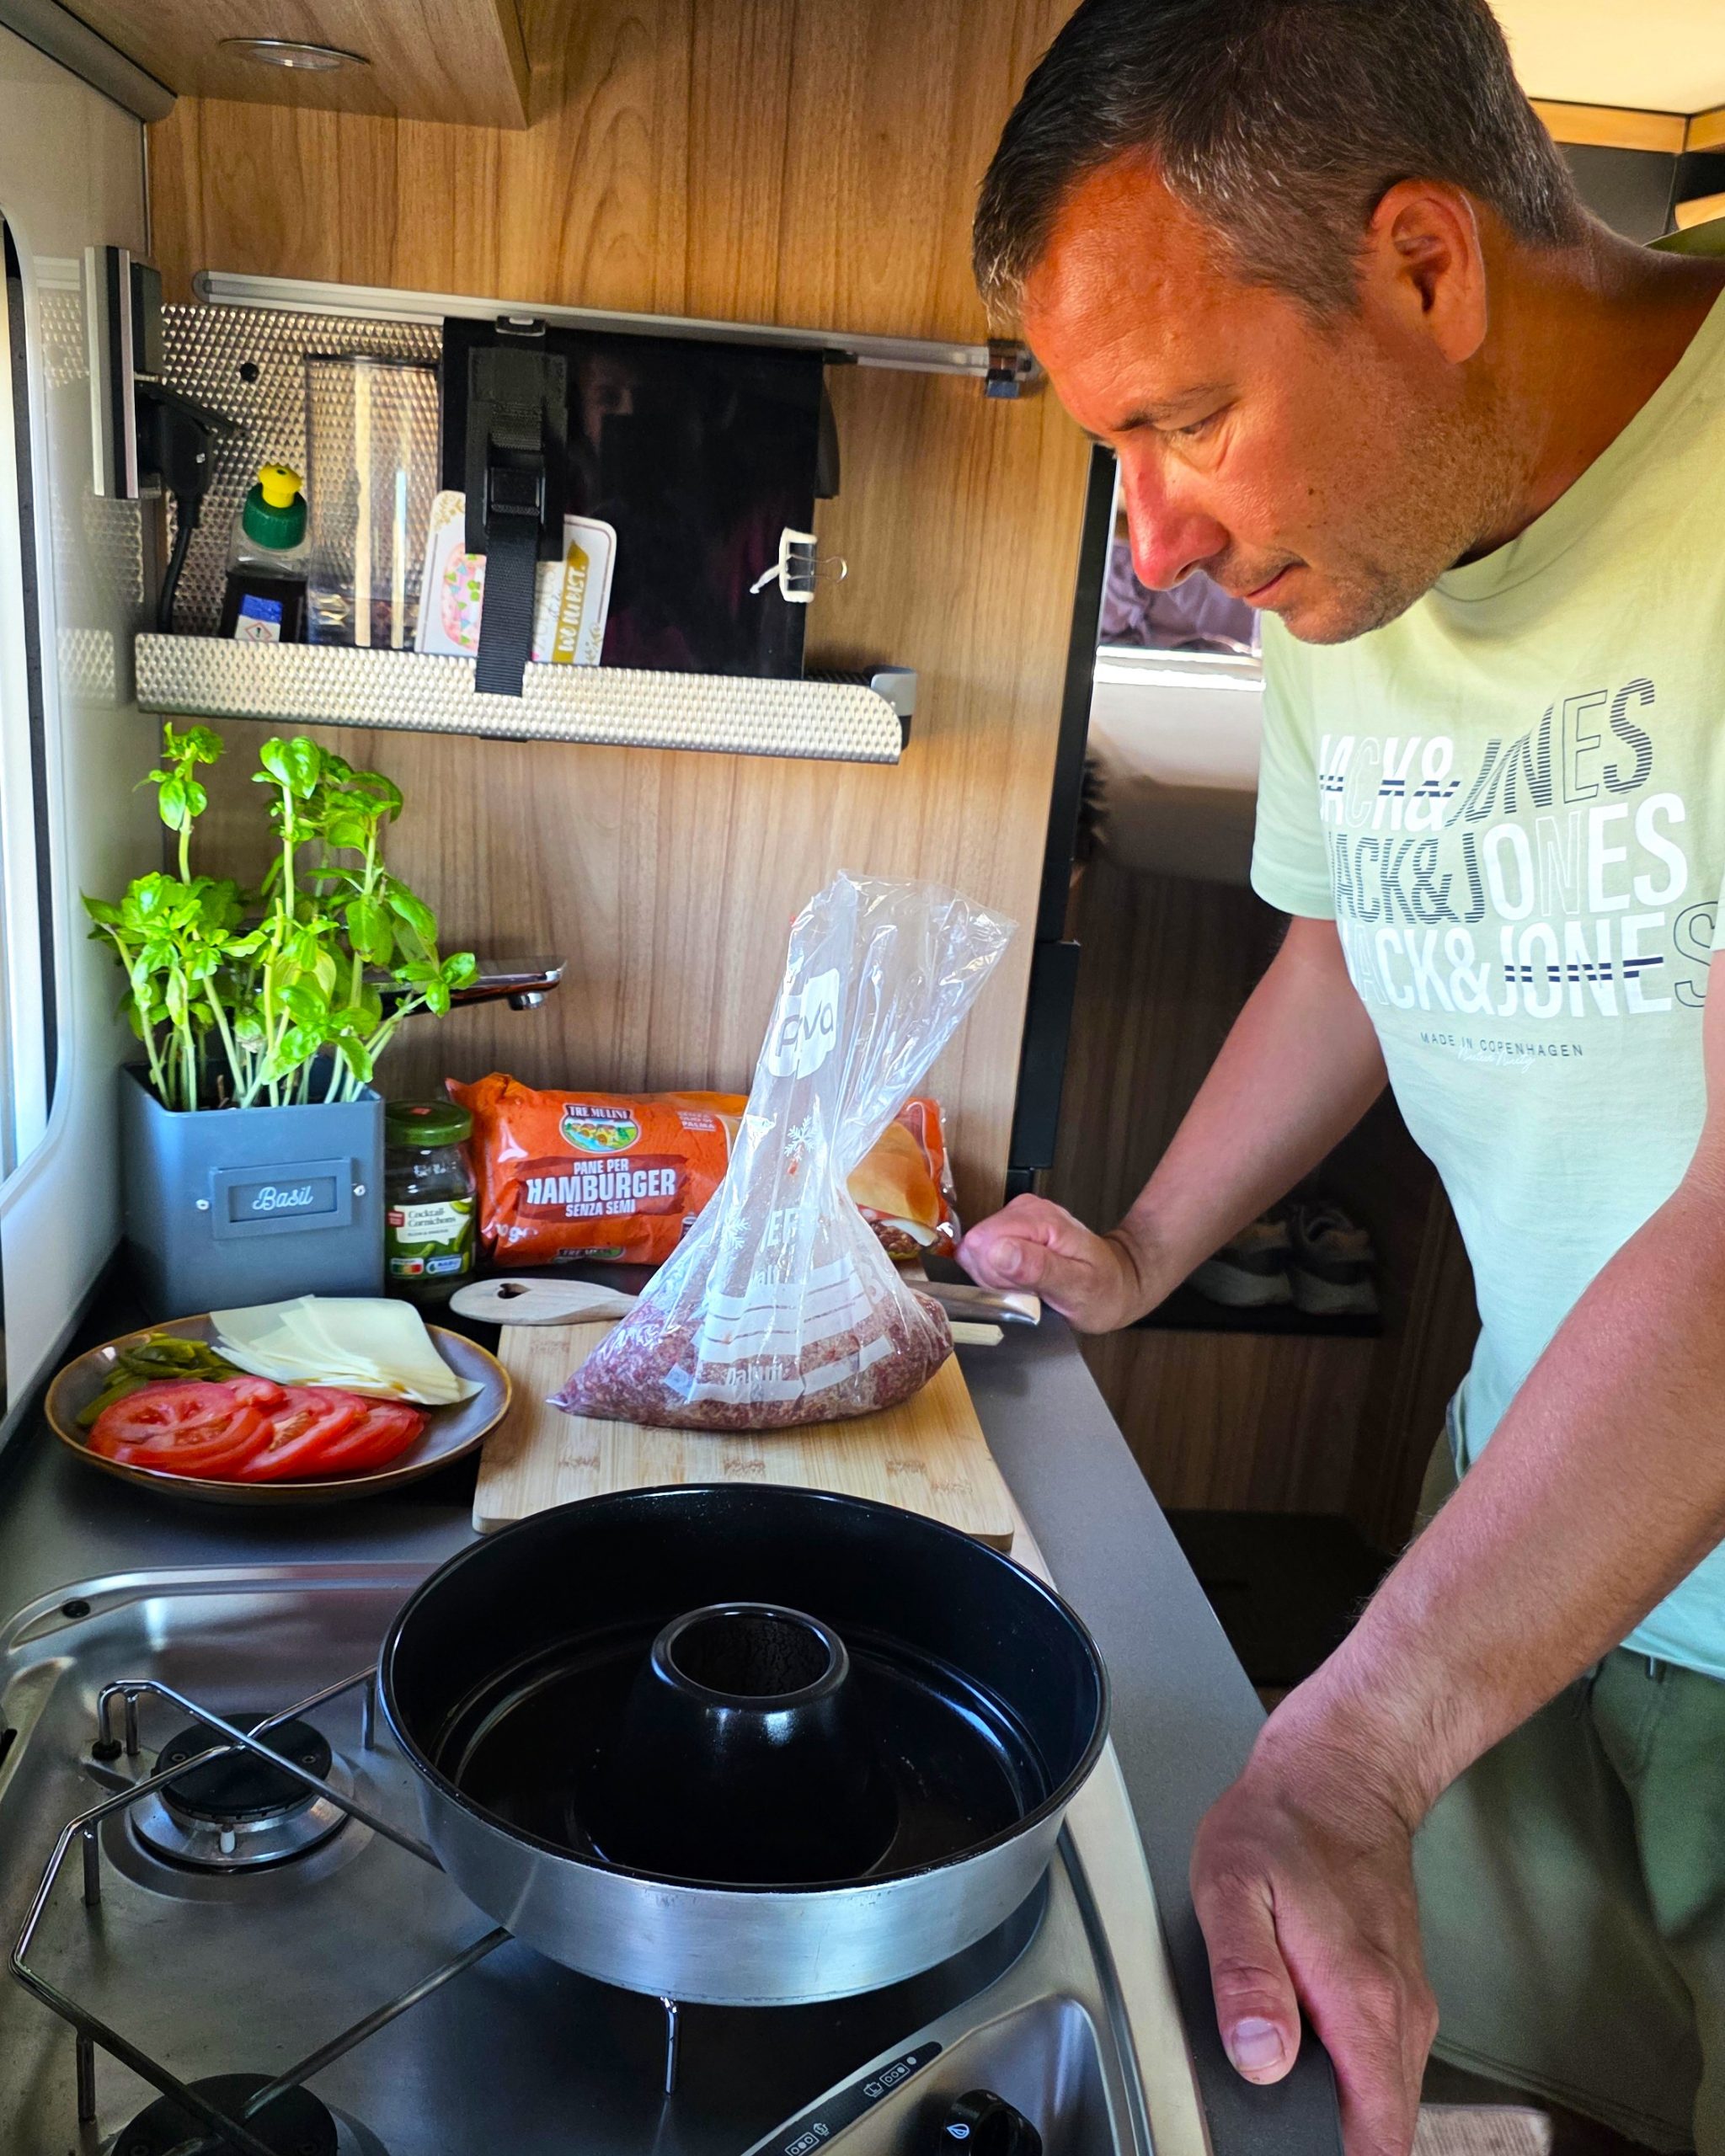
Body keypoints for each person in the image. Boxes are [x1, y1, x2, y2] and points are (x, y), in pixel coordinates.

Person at [959, 5, 1725, 2154]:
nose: (1155, 547)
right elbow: (1357, 931)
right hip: (1527, 1541)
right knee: (1467, 2104)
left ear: (1424, 264)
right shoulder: (1350, 566)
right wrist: (1139, 1244)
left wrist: (1357, 1738)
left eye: (1188, 422)